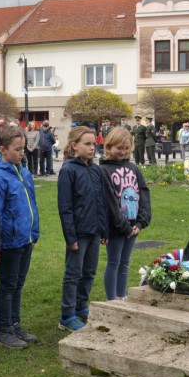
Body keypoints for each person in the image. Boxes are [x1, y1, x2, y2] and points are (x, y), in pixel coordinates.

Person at [0, 125, 40, 350]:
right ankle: (4, 330)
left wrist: (33, 233)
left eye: (23, 148)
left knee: (18, 284)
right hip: (9, 242)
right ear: (3, 150)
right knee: (8, 285)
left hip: (25, 238)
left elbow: (31, 205)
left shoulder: (24, 171)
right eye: (17, 149)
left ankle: (15, 323)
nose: (22, 152)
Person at [57, 126, 108, 332]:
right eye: (87, 144)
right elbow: (65, 207)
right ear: (74, 146)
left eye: (93, 144)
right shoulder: (68, 170)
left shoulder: (95, 170)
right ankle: (67, 315)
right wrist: (71, 237)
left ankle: (81, 307)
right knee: (73, 274)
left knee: (89, 272)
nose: (92, 148)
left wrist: (104, 230)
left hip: (94, 231)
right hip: (78, 233)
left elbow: (101, 201)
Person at [100, 128, 151, 301]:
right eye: (119, 148)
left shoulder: (133, 168)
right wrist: (124, 227)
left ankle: (121, 297)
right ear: (109, 146)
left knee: (125, 263)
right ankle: (111, 300)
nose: (122, 151)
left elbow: (144, 194)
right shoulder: (103, 170)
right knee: (114, 262)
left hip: (133, 225)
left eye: (126, 148)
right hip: (116, 226)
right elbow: (109, 202)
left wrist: (140, 223)